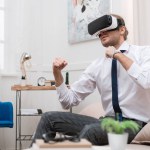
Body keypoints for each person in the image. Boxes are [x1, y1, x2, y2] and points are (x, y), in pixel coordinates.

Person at [32, 14, 150, 145]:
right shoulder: (97, 65)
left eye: (106, 29)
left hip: (134, 124)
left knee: (92, 130)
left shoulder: (144, 53)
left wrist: (117, 55)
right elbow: (68, 101)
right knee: (48, 118)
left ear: (122, 30)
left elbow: (146, 81)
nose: (101, 34)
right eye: (99, 33)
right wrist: (57, 73)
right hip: (106, 122)